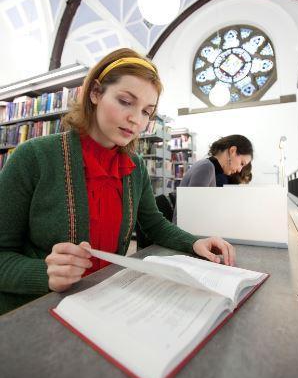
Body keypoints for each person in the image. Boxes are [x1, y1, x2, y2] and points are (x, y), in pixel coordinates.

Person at [0, 48, 235, 315]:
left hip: (105, 305)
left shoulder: (135, 169)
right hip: (34, 312)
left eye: (147, 111)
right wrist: (44, 272)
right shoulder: (34, 157)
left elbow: (154, 224)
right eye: (125, 101)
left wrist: (194, 242)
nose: (137, 119)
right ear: (96, 93)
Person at [173, 135, 253, 223]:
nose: (239, 170)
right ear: (232, 151)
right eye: (242, 163)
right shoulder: (207, 167)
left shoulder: (208, 166)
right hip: (185, 232)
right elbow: (194, 214)